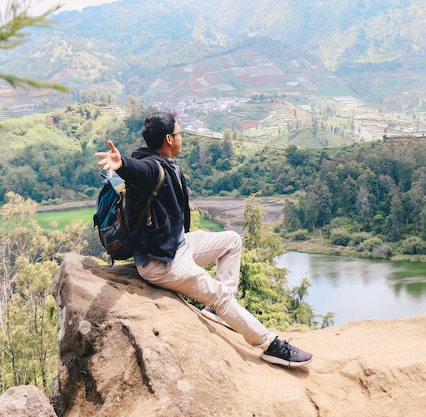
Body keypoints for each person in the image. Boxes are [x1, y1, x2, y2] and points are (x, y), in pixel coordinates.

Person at [95, 110, 313, 368]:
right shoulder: (151, 166)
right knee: (219, 294)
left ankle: (219, 312)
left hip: (178, 245)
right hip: (163, 263)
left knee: (232, 240)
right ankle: (269, 345)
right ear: (168, 138)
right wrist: (123, 165)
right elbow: (139, 170)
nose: (181, 138)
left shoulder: (161, 160)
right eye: (179, 133)